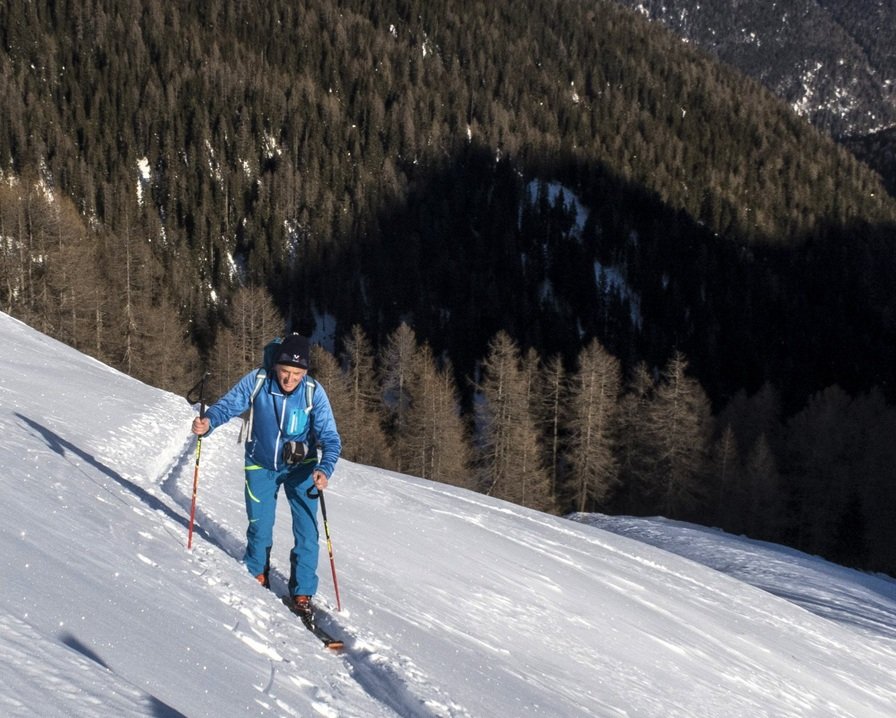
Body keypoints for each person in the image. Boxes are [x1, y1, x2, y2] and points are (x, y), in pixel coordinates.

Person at [191, 333, 341, 616]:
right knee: (260, 526)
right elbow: (229, 405)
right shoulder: (259, 380)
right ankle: (257, 573)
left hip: (302, 468)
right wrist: (208, 422)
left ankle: (303, 592)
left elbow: (330, 438)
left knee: (308, 532)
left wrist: (324, 468)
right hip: (260, 464)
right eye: (285, 371)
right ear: (276, 367)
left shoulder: (313, 392)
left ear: (305, 372)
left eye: (297, 373)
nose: (289, 379)